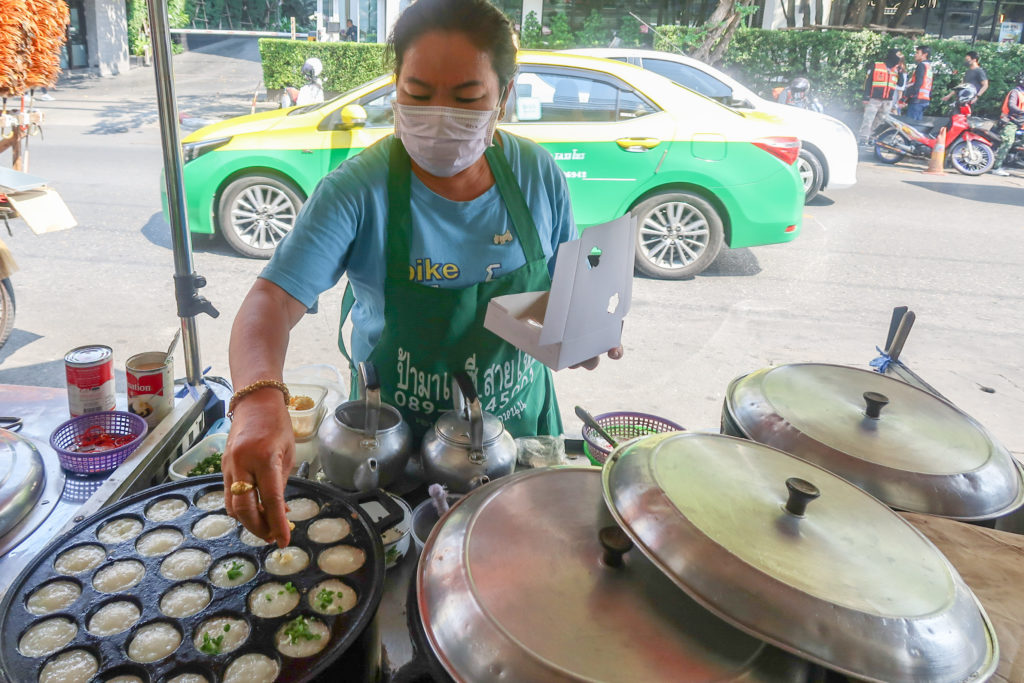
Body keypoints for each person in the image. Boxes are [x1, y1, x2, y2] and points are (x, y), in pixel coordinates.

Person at [221, 0, 621, 546]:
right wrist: (258, 402)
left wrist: (580, 327)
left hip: (516, 442)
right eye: (417, 93)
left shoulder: (536, 175)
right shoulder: (358, 189)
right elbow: (271, 300)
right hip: (394, 458)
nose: (438, 115)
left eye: (466, 98)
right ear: (394, 87)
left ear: (503, 96)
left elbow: (557, 289)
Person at [858, 48, 900, 145]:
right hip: (874, 98)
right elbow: (868, 82)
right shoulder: (877, 66)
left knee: (880, 121)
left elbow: (900, 83)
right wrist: (866, 97)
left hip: (887, 101)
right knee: (868, 119)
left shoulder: (896, 70)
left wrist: (900, 71)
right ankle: (863, 138)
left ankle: (872, 137)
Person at [992, 72, 1024, 176]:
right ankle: (996, 167)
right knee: (1008, 142)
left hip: (1020, 123)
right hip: (1010, 121)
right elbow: (1011, 105)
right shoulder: (1015, 92)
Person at [903, 45, 933, 121]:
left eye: (917, 53)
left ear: (925, 54)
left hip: (917, 99)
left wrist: (908, 96)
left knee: (911, 125)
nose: (915, 55)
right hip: (925, 99)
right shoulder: (929, 66)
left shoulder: (921, 65)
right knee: (917, 124)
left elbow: (918, 83)